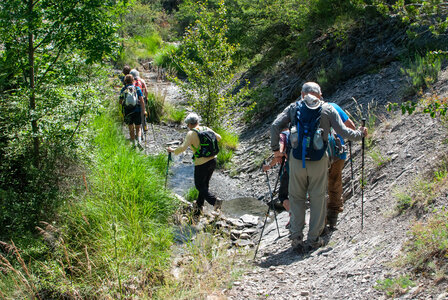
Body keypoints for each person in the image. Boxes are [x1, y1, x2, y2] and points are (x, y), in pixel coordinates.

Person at [270, 82, 368, 252]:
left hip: (296, 159)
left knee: (296, 198)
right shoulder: (327, 108)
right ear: (320, 94)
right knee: (318, 198)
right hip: (319, 159)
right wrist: (361, 134)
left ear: (302, 94)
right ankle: (313, 239)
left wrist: (275, 150)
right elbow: (344, 132)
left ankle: (296, 238)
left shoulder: (293, 108)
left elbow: (274, 126)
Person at [167, 113, 223, 216]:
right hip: (213, 160)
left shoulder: (191, 133)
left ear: (189, 124)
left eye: (187, 124)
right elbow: (219, 137)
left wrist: (172, 150)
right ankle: (198, 207)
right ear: (197, 122)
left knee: (199, 185)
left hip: (201, 163)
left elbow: (183, 148)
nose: (187, 126)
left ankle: (215, 201)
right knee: (204, 184)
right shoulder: (206, 128)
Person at [326, 103, 356, 230]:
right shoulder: (333, 107)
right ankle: (333, 217)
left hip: (315, 156)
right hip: (338, 152)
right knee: (335, 182)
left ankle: (319, 221)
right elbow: (351, 126)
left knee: (316, 186)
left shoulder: (303, 109)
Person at [263, 128, 290, 227]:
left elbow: (279, 154)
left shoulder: (283, 136)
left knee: (283, 196)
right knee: (298, 195)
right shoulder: (297, 132)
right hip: (304, 169)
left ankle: (294, 218)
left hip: (289, 170)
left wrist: (269, 166)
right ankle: (300, 218)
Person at [119, 74, 146, 147]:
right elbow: (142, 100)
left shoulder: (123, 89)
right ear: (133, 80)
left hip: (128, 111)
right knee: (138, 127)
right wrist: (143, 110)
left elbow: (120, 102)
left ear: (125, 81)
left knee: (131, 128)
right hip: (137, 110)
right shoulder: (137, 88)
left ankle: (134, 144)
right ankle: (139, 142)